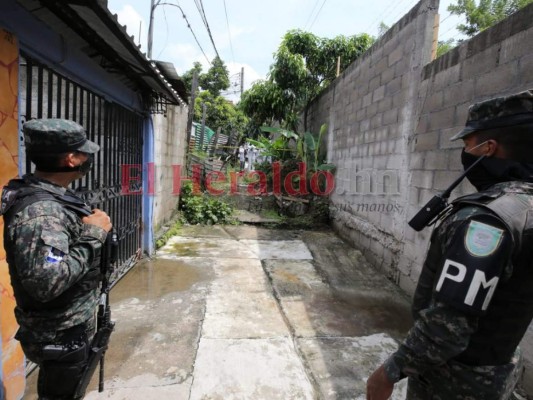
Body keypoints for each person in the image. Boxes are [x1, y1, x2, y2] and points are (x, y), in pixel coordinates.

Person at [367, 89, 533, 400]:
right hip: (497, 370)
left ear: (489, 148)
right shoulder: (525, 208)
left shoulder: (486, 221)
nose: (465, 151)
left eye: (468, 143)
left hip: (455, 381)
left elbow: (447, 328)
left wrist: (389, 372)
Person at [1, 119, 112, 399]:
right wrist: (94, 235)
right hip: (60, 334)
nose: (89, 157)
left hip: (67, 327)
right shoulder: (43, 213)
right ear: (71, 159)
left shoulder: (52, 195)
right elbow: (47, 282)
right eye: (84, 151)